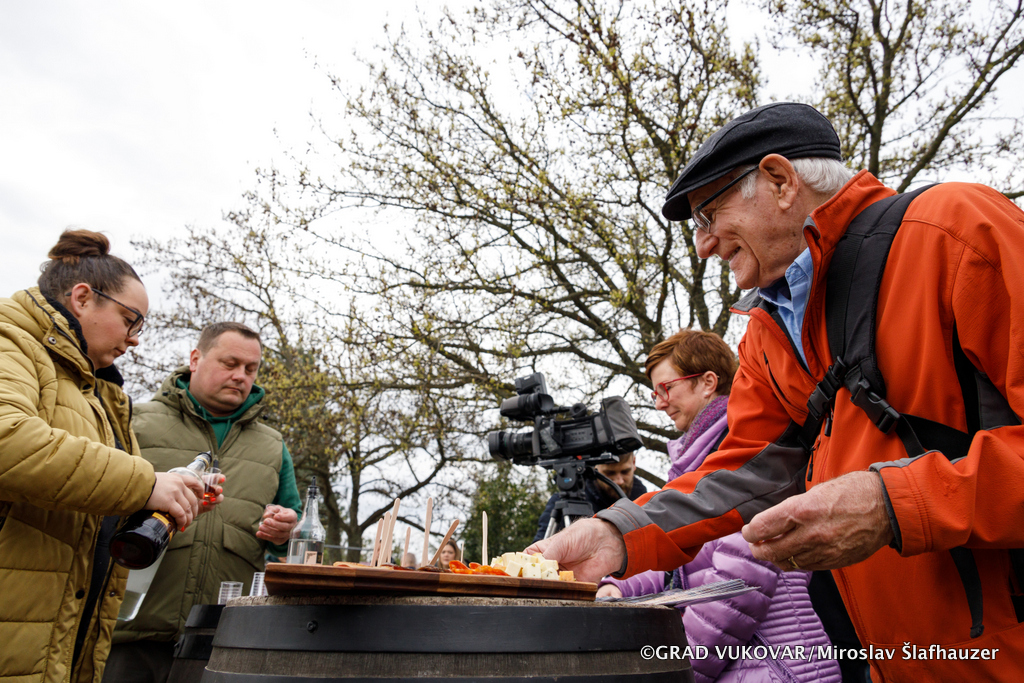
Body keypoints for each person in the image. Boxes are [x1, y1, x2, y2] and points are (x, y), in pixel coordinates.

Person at [529, 102, 1024, 681]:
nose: (702, 245)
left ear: (780, 181)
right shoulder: (768, 332)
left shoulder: (957, 232)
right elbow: (747, 474)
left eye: (709, 215)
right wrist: (618, 532)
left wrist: (893, 504)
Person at [0, 230, 206, 683]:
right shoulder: (9, 342)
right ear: (81, 299)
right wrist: (146, 484)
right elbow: (7, 441)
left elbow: (87, 488)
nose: (135, 340)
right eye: (131, 320)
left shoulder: (96, 390)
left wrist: (163, 496)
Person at [597, 329, 840, 683]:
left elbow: (739, 584)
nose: (659, 404)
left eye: (666, 388)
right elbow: (674, 553)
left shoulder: (746, 453)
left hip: (777, 669)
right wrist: (619, 585)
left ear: (708, 382)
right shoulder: (695, 464)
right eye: (655, 393)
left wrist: (679, 669)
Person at [105, 322, 302, 682]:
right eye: (230, 363)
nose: (241, 376)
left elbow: (295, 529)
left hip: (222, 641)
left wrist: (286, 529)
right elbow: (97, 503)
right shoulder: (136, 421)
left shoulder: (273, 446)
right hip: (128, 635)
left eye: (251, 368)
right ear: (195, 359)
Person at [532, 452, 647, 542]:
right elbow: (539, 551)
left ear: (634, 462)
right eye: (610, 473)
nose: (619, 481)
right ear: (595, 466)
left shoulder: (645, 503)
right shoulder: (563, 502)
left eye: (625, 472)